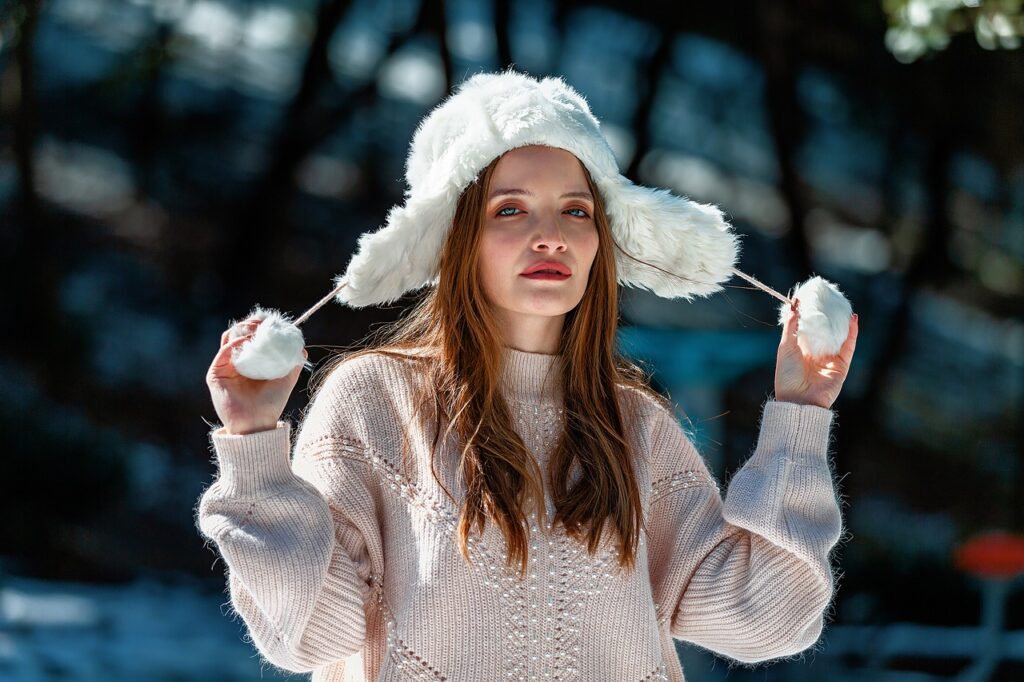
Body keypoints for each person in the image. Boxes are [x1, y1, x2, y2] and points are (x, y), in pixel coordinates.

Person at [197, 70, 858, 682]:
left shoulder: (634, 425)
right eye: (510, 210)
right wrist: (254, 445)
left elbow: (769, 619)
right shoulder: (375, 401)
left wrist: (800, 414)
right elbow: (310, 632)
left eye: (576, 210)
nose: (552, 235)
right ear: (457, 237)